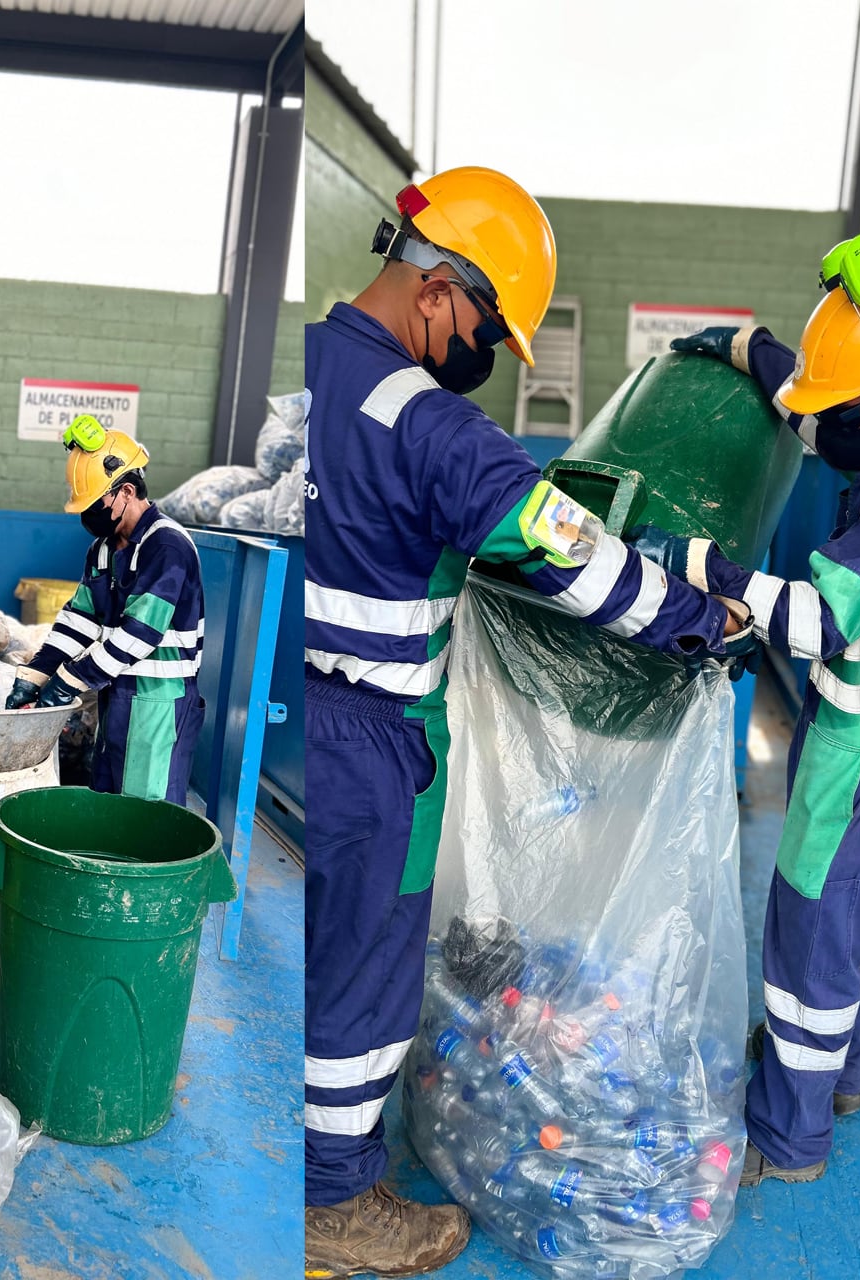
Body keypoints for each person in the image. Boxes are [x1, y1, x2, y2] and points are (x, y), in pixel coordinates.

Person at [302, 165, 755, 1277]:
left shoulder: (312, 374)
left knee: (328, 949)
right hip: (371, 739)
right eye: (486, 327)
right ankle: (333, 1196)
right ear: (437, 289)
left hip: (307, 715)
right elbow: (583, 561)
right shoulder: (428, 423)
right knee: (365, 968)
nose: (480, 358)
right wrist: (700, 620)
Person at [629, 234, 860, 1187]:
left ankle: (786, 1136)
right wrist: (747, 347)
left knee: (809, 927)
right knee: (841, 921)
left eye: (851, 405)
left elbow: (814, 620)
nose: (829, 426)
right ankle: (838, 1075)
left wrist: (697, 566)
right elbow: (813, 419)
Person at [5, 416, 205, 803]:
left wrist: (69, 681)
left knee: (146, 817)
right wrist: (34, 675)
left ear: (127, 491)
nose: (87, 515)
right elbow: (76, 621)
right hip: (117, 695)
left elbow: (139, 634)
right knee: (108, 804)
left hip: (158, 704)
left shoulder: (167, 548)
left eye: (95, 503)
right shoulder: (102, 550)